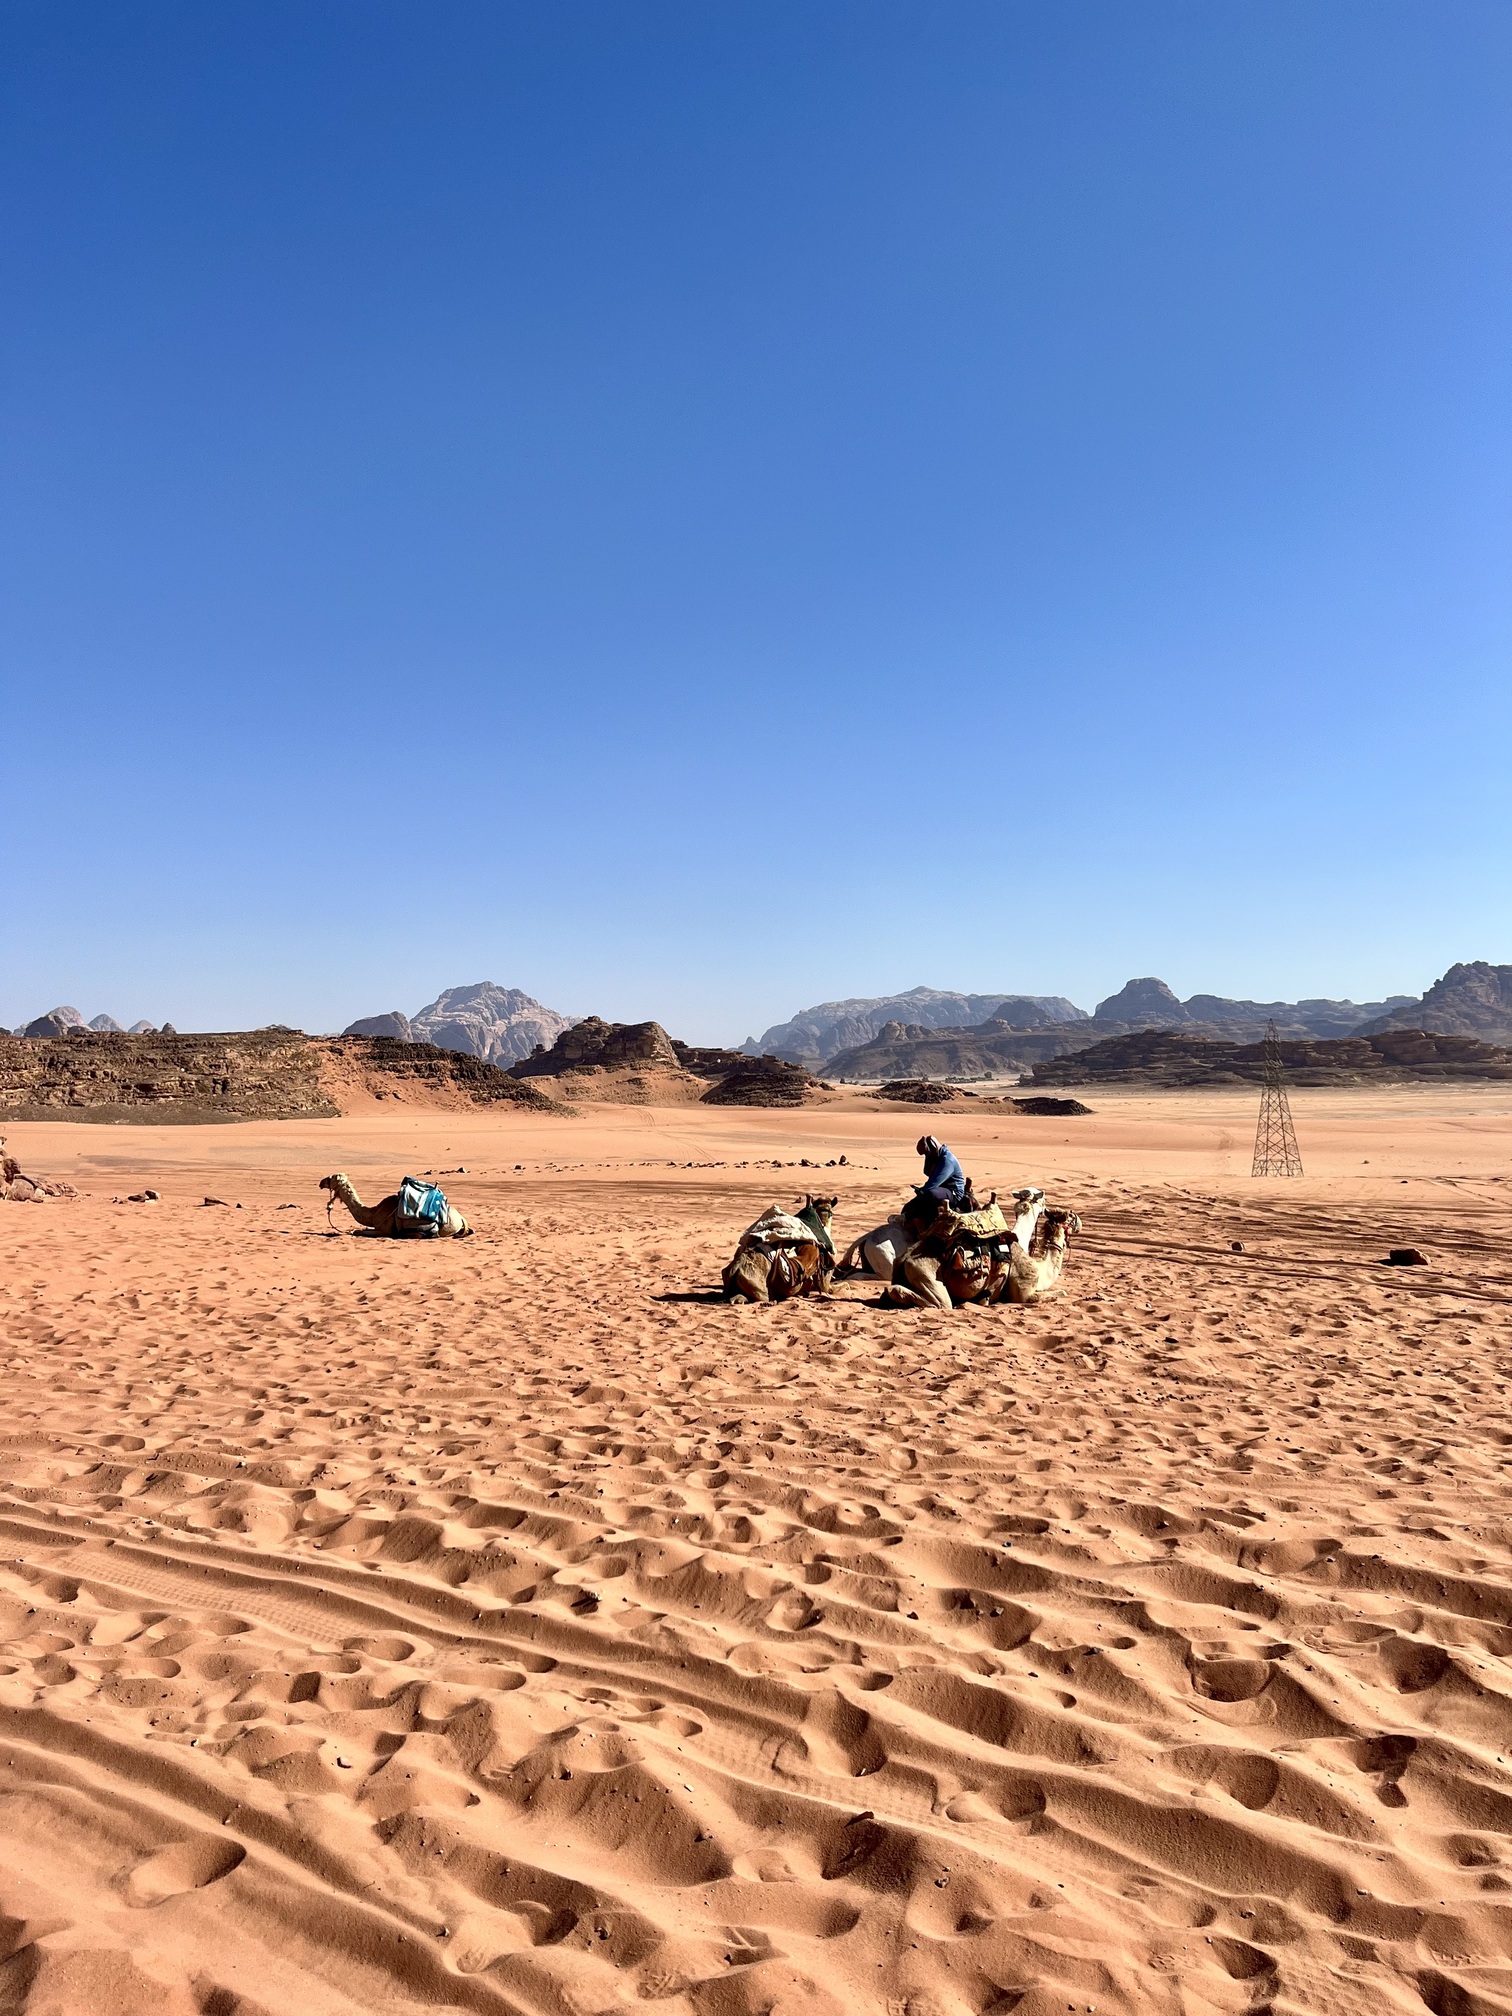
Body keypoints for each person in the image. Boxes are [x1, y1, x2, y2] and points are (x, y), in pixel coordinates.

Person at [915, 1135, 967, 1209]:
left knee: (930, 1194)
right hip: (941, 1188)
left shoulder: (947, 1161)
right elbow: (928, 1173)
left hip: (954, 1194)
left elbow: (934, 1182)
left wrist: (922, 1192)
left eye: (927, 1153)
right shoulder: (938, 1157)